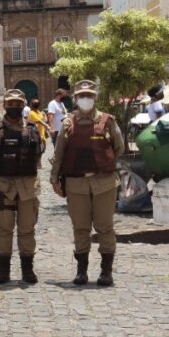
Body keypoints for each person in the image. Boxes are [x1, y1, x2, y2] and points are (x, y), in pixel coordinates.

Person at [51, 80, 124, 287]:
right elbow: (59, 154)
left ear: (95, 98)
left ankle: (106, 272)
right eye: (82, 96)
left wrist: (102, 162)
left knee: (105, 227)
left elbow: (118, 148)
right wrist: (54, 179)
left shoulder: (108, 121)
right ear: (75, 99)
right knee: (80, 228)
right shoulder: (68, 123)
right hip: (76, 184)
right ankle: (81, 271)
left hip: (104, 183)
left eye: (89, 96)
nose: (85, 99)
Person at [0, 89, 46, 284]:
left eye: (18, 104)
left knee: (27, 229)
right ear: (4, 105)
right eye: (11, 104)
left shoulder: (33, 129)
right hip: (4, 186)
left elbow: (38, 154)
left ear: (23, 105)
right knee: (4, 228)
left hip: (28, 187)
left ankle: (27, 269)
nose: (14, 107)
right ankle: (4, 270)